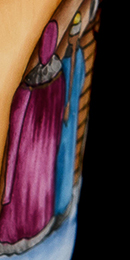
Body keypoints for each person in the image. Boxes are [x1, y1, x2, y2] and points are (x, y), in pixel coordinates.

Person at [0, 21, 65, 256]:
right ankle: (37, 228)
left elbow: (18, 117)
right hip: (44, 153)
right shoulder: (58, 78)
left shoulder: (30, 87)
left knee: (21, 193)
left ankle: (11, 238)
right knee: (37, 188)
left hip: (27, 154)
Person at [52, 11, 85, 222]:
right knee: (63, 156)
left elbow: (74, 83)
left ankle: (61, 204)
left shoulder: (73, 58)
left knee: (63, 157)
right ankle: (60, 205)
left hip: (66, 118)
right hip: (66, 119)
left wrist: (66, 108)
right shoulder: (73, 57)